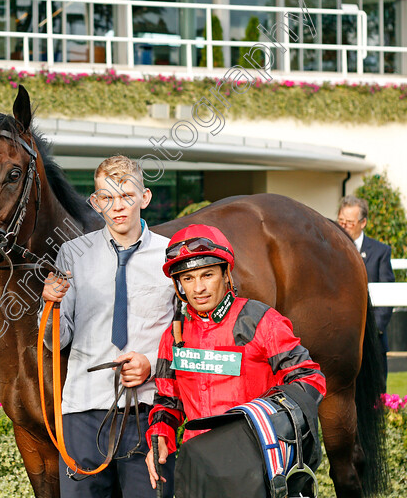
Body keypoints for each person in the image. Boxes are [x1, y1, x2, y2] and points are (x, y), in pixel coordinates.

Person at [144, 224, 327, 492]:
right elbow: (167, 400)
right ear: (179, 284)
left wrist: (261, 419)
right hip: (200, 468)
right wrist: (160, 435)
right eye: (188, 278)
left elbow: (310, 381)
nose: (199, 288)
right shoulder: (174, 336)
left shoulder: (262, 322)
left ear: (226, 274)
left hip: (255, 465)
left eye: (207, 275)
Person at [42, 155, 176, 498]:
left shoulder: (171, 257)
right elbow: (58, 342)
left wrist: (150, 362)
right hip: (82, 413)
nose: (117, 207)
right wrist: (49, 307)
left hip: (147, 412)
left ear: (144, 198)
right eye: (107, 197)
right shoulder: (72, 254)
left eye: (127, 196)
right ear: (95, 202)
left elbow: (185, 338)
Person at [338, 195, 395, 375]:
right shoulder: (329, 249)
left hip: (372, 341)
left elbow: (387, 295)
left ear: (363, 223)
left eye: (349, 222)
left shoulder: (380, 252)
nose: (343, 226)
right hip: (339, 341)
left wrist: (371, 332)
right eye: (340, 221)